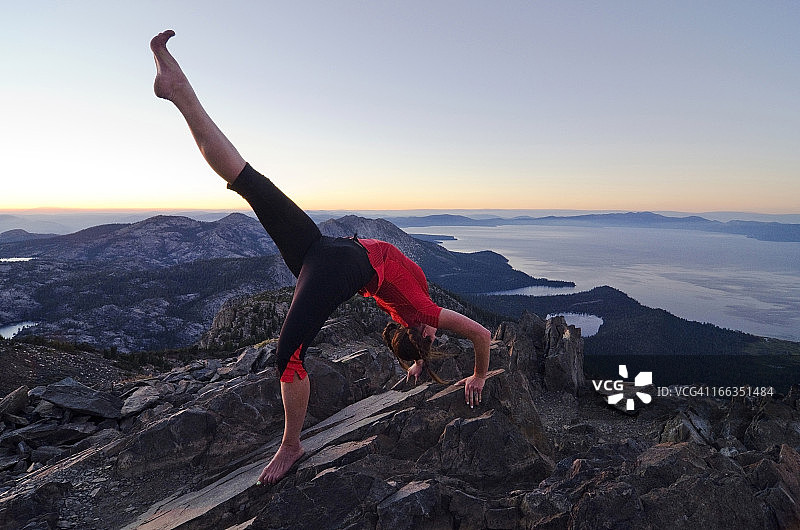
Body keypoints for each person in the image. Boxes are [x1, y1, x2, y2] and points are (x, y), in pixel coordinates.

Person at [150, 30, 491, 485]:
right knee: (287, 355)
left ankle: (180, 92)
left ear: (413, 333)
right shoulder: (420, 311)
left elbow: (419, 323)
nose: (434, 329)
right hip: (333, 263)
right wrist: (479, 376)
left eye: (426, 337)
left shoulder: (415, 310)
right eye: (429, 335)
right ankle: (292, 446)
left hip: (324, 249)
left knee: (249, 181)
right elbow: (482, 333)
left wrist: (417, 362)